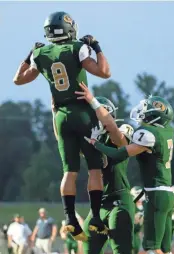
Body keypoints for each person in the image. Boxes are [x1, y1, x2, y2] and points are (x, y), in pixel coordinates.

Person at [13, 11, 120, 241]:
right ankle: (95, 219)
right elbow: (105, 72)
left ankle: (70, 219)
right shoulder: (76, 48)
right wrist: (97, 47)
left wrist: (28, 55)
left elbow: (18, 80)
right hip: (82, 111)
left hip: (60, 114)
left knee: (69, 171)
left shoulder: (41, 53)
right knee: (94, 169)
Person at [85, 95, 174, 254]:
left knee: (151, 249)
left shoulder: (140, 131)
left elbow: (120, 150)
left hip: (153, 193)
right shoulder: (165, 129)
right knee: (164, 250)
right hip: (162, 191)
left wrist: (95, 144)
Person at [75, 89, 150, 254]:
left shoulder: (119, 132)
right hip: (99, 205)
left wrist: (93, 102)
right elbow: (62, 138)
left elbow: (119, 139)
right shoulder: (87, 138)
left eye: (98, 114)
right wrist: (55, 111)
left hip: (119, 199)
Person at [131, 186, 145, 254]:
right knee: (130, 248)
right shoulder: (131, 205)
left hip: (136, 232)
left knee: (136, 249)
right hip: (128, 231)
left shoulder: (144, 206)